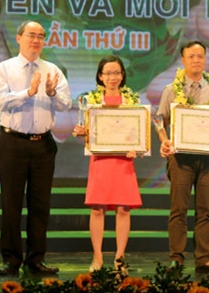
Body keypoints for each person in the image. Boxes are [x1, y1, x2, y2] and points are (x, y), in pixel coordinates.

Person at [0, 20, 72, 277]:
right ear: (19, 38)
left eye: (40, 36)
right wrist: (29, 92)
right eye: (31, 35)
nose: (36, 40)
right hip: (12, 142)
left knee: (40, 204)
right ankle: (11, 260)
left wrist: (51, 92)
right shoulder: (4, 69)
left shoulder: (52, 70)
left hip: (43, 145)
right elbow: (0, 101)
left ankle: (36, 259)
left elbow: (65, 105)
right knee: (11, 202)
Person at [156, 41, 209, 274]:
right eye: (191, 56)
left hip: (207, 159)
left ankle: (203, 259)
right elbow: (159, 119)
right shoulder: (171, 89)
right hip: (180, 158)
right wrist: (164, 139)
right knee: (179, 209)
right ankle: (176, 258)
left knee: (205, 210)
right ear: (183, 60)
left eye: (200, 56)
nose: (196, 60)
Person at [72, 56, 143, 274]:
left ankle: (120, 258)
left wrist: (136, 147)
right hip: (100, 160)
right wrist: (81, 132)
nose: (113, 77)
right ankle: (98, 257)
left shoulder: (131, 101)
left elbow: (138, 134)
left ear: (122, 75)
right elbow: (86, 132)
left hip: (123, 161)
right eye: (108, 73)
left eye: (117, 72)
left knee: (123, 208)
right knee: (97, 208)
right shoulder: (91, 102)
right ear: (100, 76)